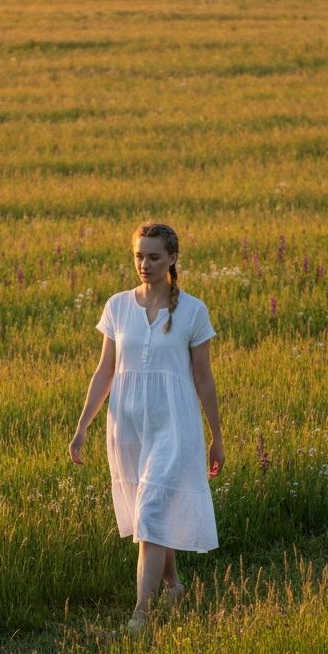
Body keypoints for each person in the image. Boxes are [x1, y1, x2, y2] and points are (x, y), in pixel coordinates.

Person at [69, 221, 224, 631]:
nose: (145, 264)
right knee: (147, 510)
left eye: (154, 257)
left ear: (172, 258)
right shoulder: (117, 306)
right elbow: (105, 371)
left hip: (175, 424)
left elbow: (203, 379)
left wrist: (217, 437)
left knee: (153, 510)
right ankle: (172, 584)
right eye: (139, 255)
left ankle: (141, 613)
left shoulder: (193, 310)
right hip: (129, 426)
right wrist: (83, 425)